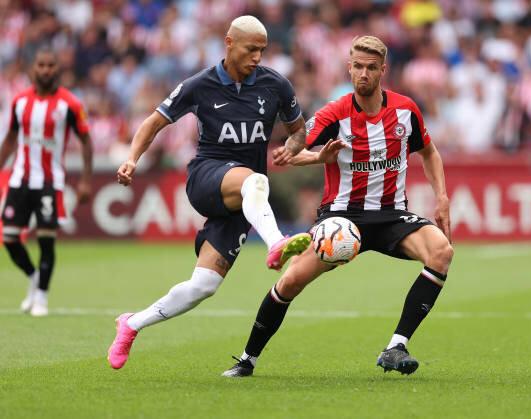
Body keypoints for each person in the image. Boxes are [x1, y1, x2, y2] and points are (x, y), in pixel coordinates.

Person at [223, 35, 454, 377]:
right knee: (290, 282)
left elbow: (429, 152)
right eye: (358, 67)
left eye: (371, 68)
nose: (363, 74)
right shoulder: (334, 112)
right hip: (342, 219)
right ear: (349, 68)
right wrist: (315, 156)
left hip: (391, 215)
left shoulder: (406, 110)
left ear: (382, 71)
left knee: (442, 251)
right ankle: (247, 359)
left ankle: (395, 346)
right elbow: (294, 149)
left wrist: (442, 197)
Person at [107, 16, 312, 369]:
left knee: (203, 286)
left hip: (243, 202)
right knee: (256, 180)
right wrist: (131, 159)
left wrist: (294, 147)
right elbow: (153, 122)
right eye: (251, 49)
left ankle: (131, 324)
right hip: (206, 177)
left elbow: (299, 131)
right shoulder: (199, 85)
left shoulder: (275, 85)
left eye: (262, 50)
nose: (258, 58)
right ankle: (276, 241)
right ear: (229, 43)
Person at [0, 47, 93, 317]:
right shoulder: (19, 102)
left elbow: (86, 141)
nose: (45, 70)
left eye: (50, 65)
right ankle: (33, 277)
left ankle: (41, 296)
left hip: (50, 183)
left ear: (57, 69)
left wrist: (86, 180)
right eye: (41, 65)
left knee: (46, 240)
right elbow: (10, 139)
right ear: (33, 68)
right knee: (9, 238)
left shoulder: (70, 104)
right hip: (20, 179)